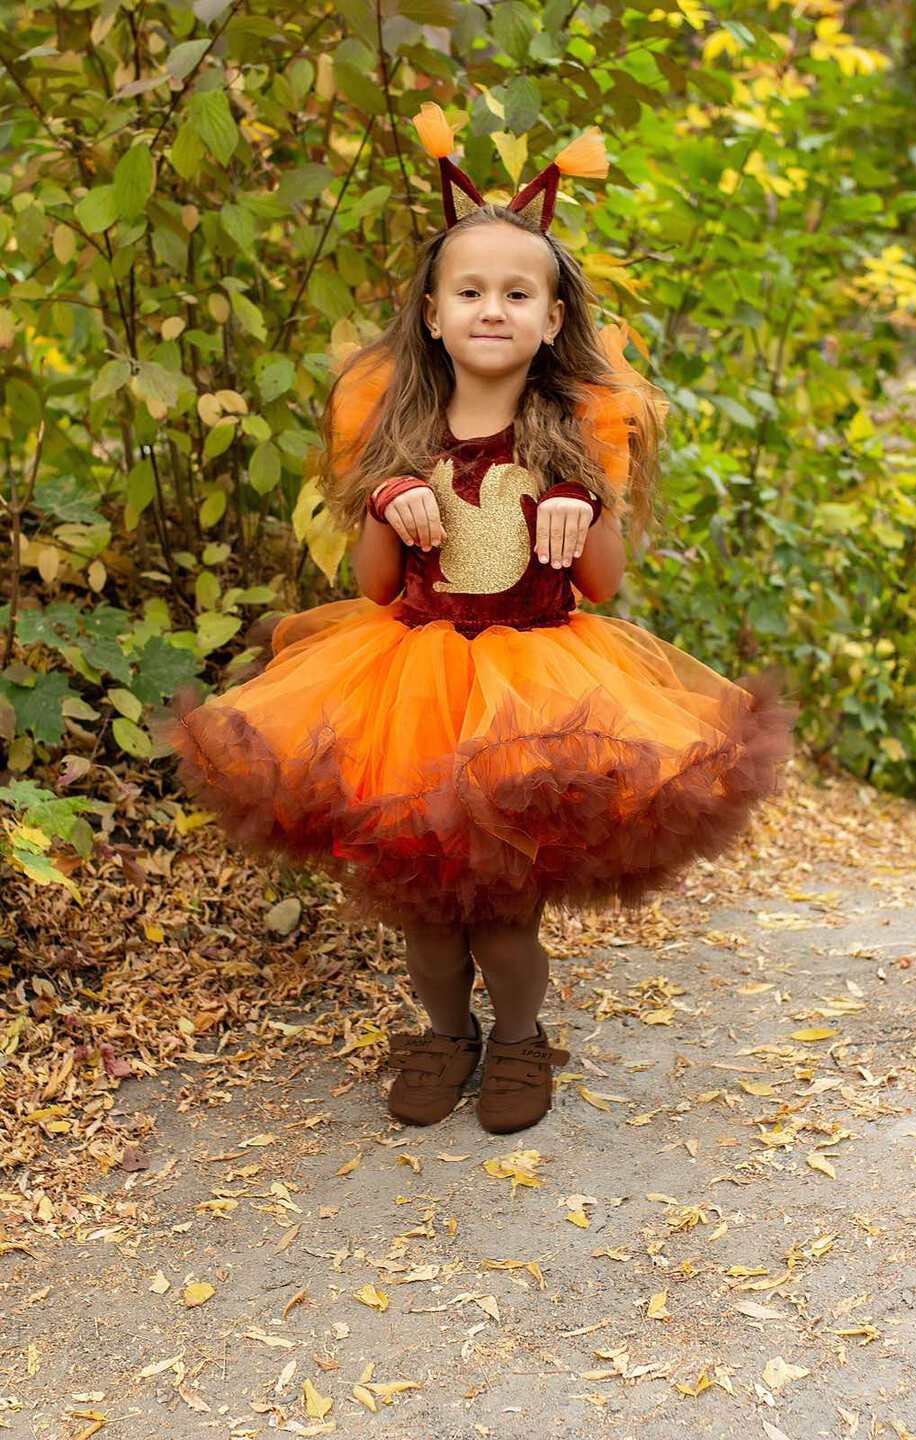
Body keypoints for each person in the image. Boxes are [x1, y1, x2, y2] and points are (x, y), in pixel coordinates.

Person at [154, 106, 798, 1138]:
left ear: (549, 320)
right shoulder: (395, 428)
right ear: (429, 313)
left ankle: (517, 1039)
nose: (490, 308)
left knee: (501, 919)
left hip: (529, 693)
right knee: (426, 921)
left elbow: (604, 586)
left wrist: (575, 508)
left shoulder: (573, 433)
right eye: (468, 291)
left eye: (515, 292)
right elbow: (372, 588)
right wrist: (384, 507)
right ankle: (442, 1034)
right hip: (405, 685)